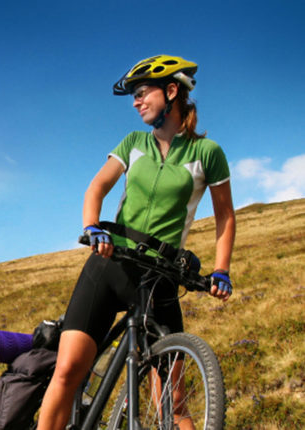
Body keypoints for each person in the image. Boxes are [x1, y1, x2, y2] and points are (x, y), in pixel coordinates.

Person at [36, 55, 236, 430]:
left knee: (175, 401)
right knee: (67, 372)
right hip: (110, 264)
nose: (136, 101)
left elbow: (225, 215)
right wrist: (93, 227)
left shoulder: (207, 153)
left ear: (171, 91)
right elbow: (97, 187)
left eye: (143, 93)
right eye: (134, 95)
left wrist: (221, 269)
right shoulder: (133, 143)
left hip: (160, 277)